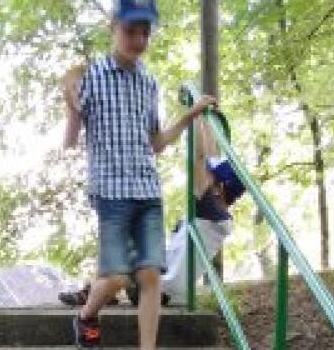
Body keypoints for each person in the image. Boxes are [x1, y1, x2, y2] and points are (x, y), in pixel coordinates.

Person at [60, 0, 216, 350]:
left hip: (147, 191)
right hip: (110, 192)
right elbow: (70, 140)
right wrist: (69, 100)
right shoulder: (92, 76)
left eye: (145, 32)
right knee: (116, 278)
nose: (139, 40)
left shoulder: (148, 83)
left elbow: (156, 144)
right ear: (114, 27)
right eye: (131, 30)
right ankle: (86, 316)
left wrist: (189, 116)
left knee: (149, 276)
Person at [58, 116, 244, 311]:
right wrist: (206, 118)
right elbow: (211, 156)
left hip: (159, 291)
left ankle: (97, 292)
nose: (207, 174)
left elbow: (199, 157)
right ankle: (104, 292)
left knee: (124, 233)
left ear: (219, 187)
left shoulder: (208, 207)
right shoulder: (215, 216)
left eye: (212, 175)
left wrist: (195, 115)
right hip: (169, 291)